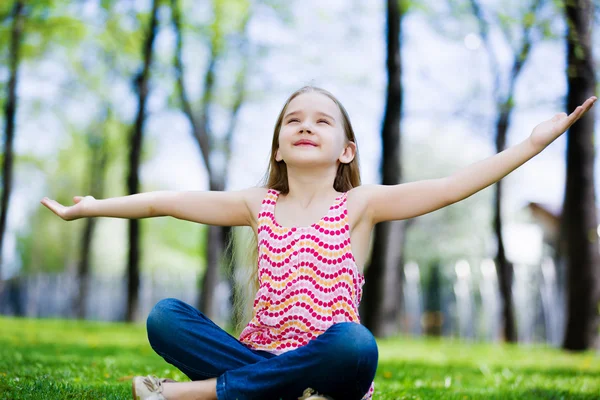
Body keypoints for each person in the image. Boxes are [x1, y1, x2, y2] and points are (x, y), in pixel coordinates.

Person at [41, 86, 596, 400]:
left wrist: (531, 143)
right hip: (259, 357)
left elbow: (452, 187)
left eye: (322, 121)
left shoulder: (360, 205)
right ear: (279, 147)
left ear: (346, 150)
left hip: (333, 370)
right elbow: (164, 200)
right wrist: (93, 208)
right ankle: (277, 393)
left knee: (353, 343)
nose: (306, 126)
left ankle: (193, 396)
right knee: (165, 316)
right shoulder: (255, 204)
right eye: (293, 121)